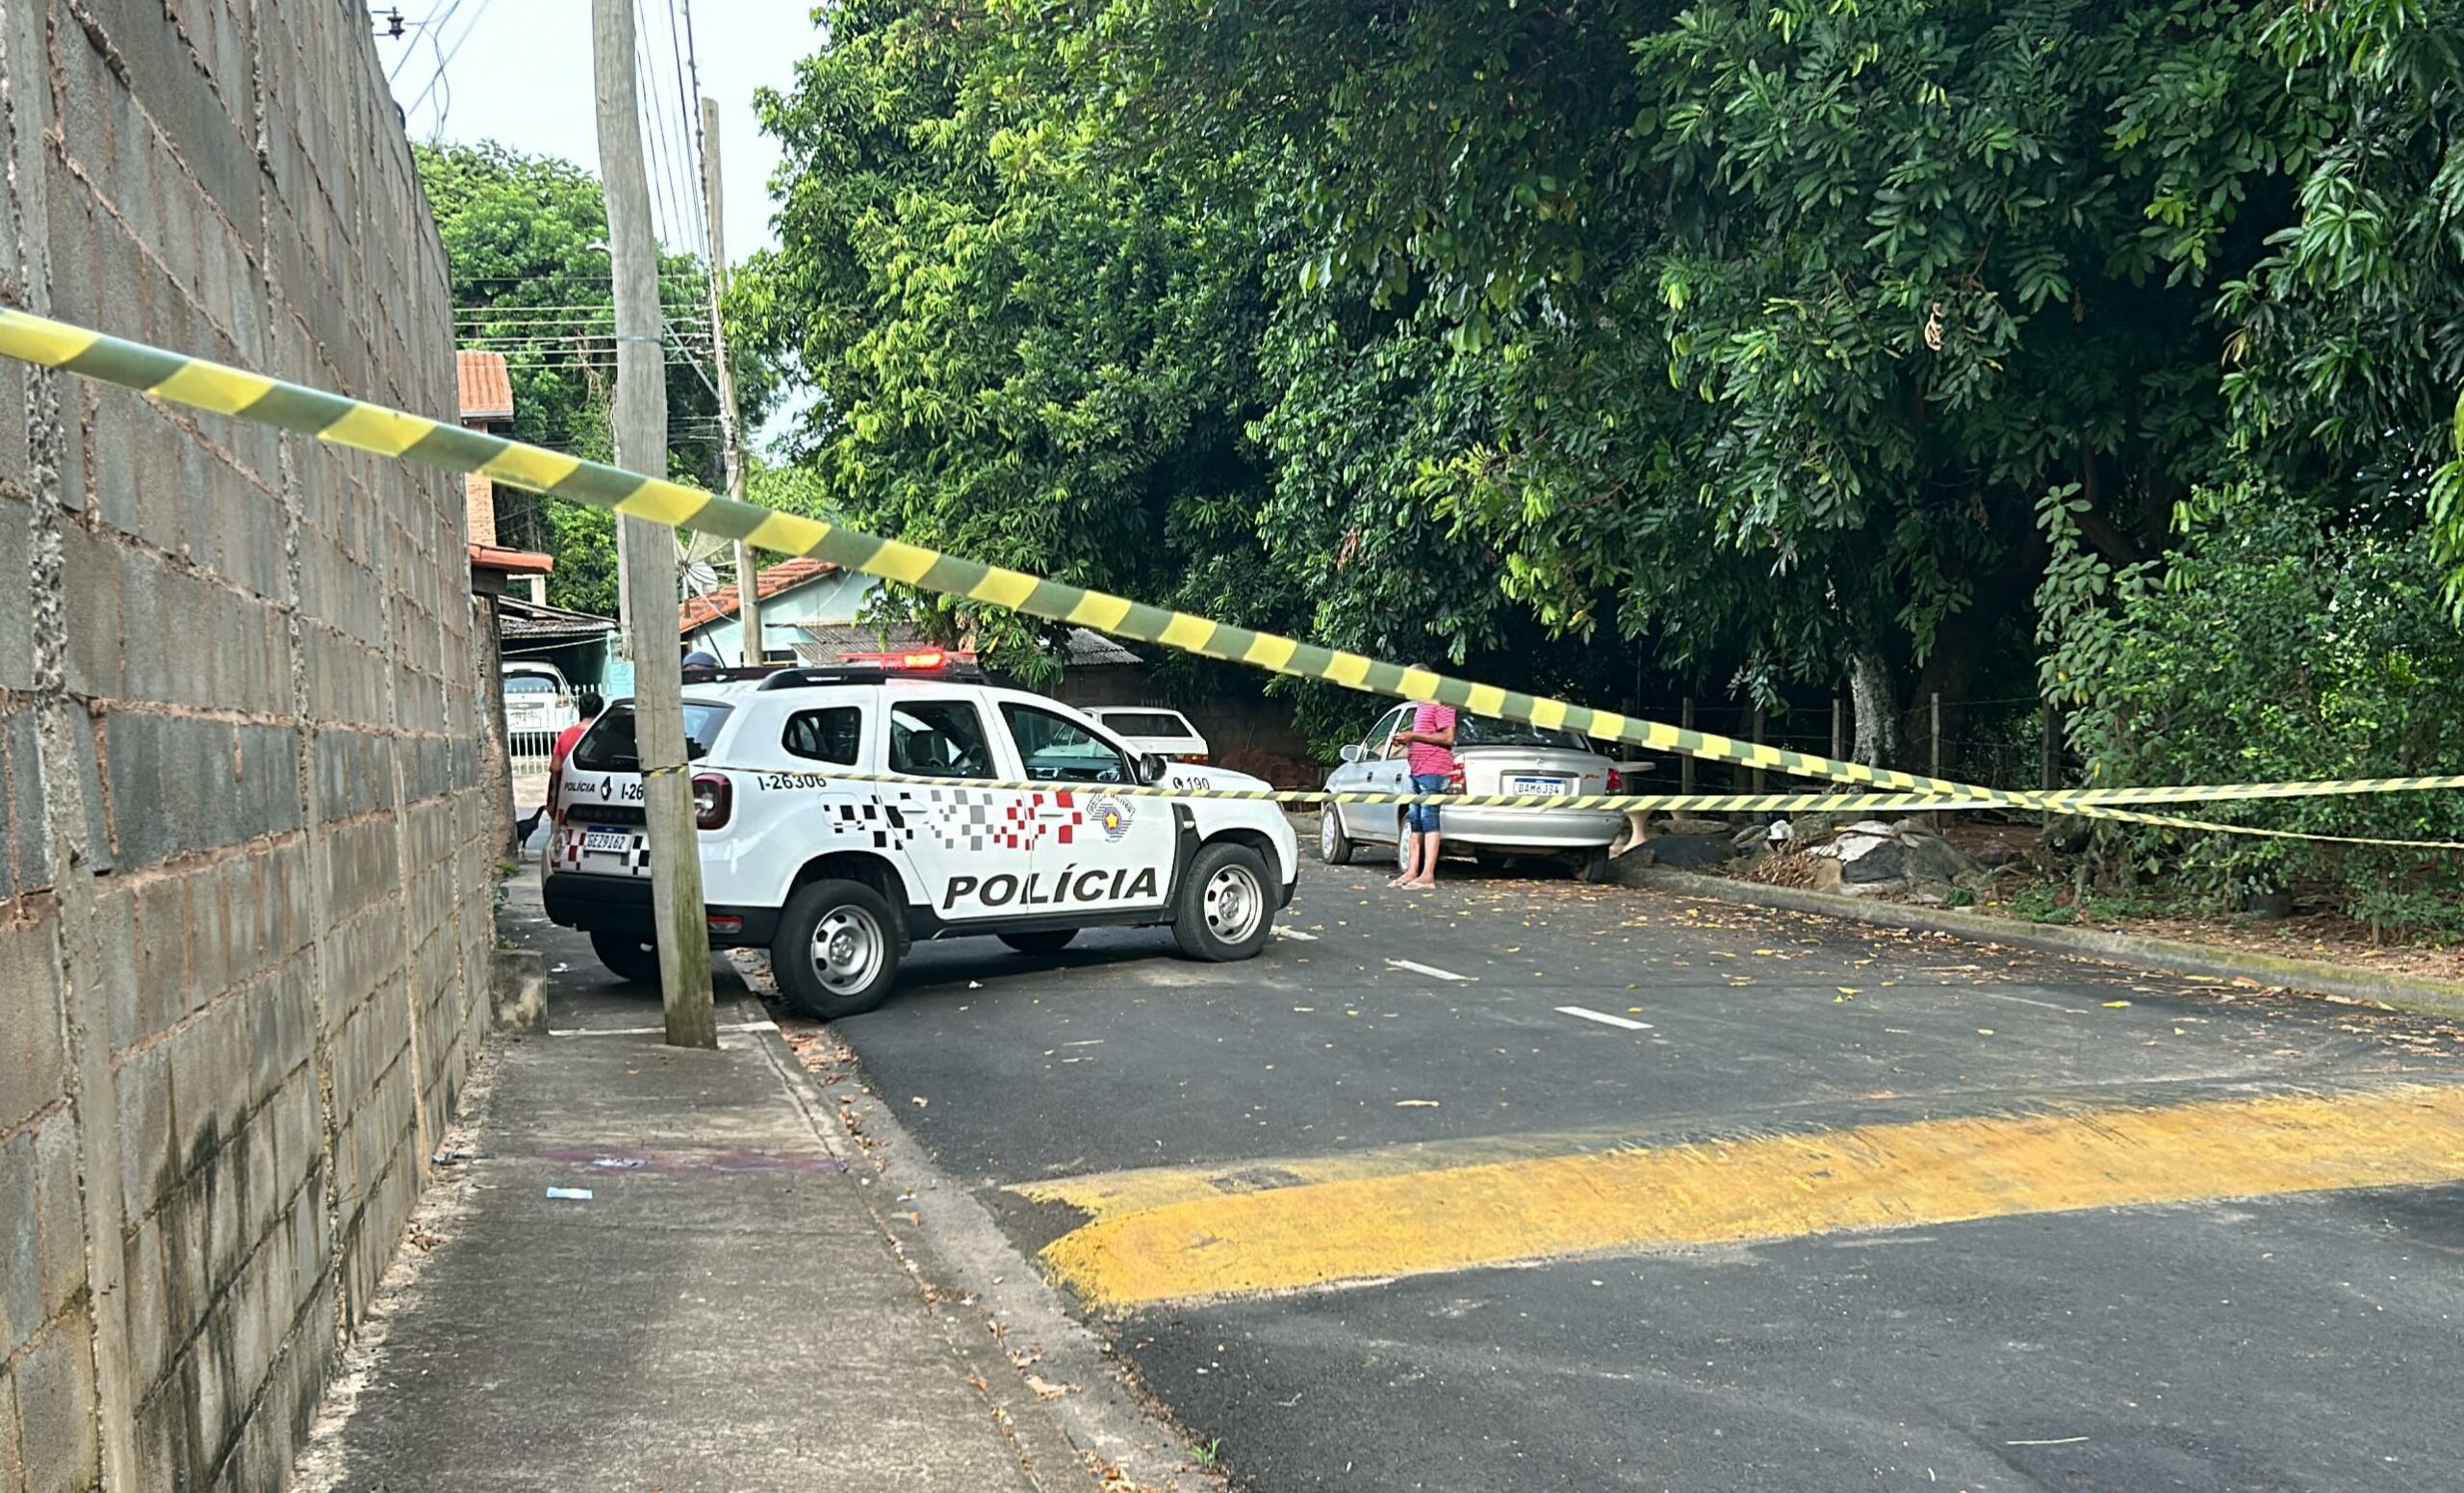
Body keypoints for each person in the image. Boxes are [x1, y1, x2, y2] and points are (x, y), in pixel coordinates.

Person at [1390, 682, 1456, 889]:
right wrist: (1405, 740)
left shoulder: (1442, 702)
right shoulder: (1421, 705)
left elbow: (1448, 737)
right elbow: (1424, 735)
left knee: (1429, 819)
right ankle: (1412, 870)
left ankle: (1427, 875)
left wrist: (1414, 736)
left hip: (1433, 769)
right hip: (1416, 769)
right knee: (1415, 821)